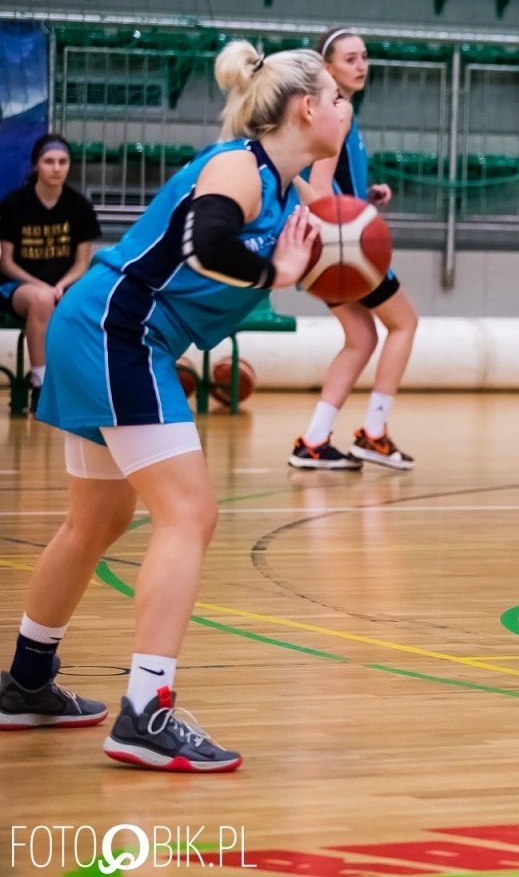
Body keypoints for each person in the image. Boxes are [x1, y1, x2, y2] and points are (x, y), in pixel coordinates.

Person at [0, 41, 338, 770]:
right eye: (340, 99)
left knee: (99, 516)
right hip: (119, 329)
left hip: (104, 326)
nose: (347, 109)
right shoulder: (237, 167)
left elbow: (235, 265)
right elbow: (203, 242)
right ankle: (146, 713)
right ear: (308, 108)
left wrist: (291, 266)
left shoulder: (281, 187)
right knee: (190, 513)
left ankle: (26, 681)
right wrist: (272, 269)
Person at [289, 27, 419, 472]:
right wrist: (348, 225)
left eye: (364, 56)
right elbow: (322, 187)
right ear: (327, 68)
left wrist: (364, 198)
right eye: (350, 58)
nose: (361, 65)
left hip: (325, 242)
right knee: (404, 324)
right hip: (338, 247)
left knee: (362, 337)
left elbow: (328, 185)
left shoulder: (329, 111)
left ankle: (313, 440)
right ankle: (375, 434)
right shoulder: (337, 111)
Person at [0, 134, 102, 407]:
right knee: (42, 300)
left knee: (96, 302)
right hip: (18, 286)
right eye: (48, 161)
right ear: (35, 166)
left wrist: (61, 285)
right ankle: (41, 387)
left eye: (62, 161)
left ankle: (88, 386)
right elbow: (6, 263)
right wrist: (42, 286)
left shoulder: (79, 206)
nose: (56, 168)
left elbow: (82, 263)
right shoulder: (14, 204)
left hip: (64, 285)